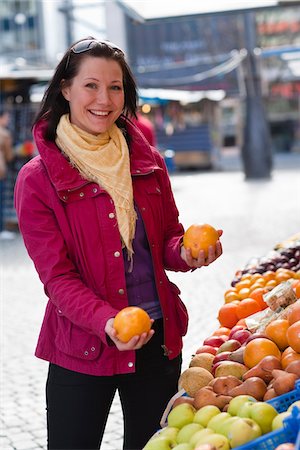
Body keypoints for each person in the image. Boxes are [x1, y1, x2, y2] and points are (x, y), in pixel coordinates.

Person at [14, 37, 223, 450]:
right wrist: (108, 322)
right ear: (66, 90)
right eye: (91, 85)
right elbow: (57, 279)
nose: (104, 99)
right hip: (83, 346)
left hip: (157, 340)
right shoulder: (38, 179)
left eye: (115, 87)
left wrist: (187, 251)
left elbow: (166, 240)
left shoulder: (148, 163)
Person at [0, 107, 15, 239]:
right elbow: (9, 156)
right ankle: (1, 230)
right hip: (0, 171)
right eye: (6, 117)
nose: (8, 120)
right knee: (1, 201)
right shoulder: (4, 134)